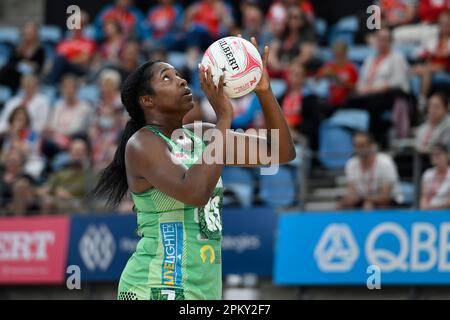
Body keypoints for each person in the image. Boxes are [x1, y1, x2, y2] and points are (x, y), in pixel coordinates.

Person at [92, 37, 296, 300]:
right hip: (154, 286)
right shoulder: (142, 143)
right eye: (167, 78)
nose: (181, 80)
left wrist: (264, 90)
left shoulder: (203, 135)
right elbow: (196, 192)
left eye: (178, 74)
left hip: (202, 290)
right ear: (147, 101)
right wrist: (224, 118)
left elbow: (279, 152)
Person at [339, 132, 402, 210]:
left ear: (371, 146)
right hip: (362, 201)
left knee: (369, 206)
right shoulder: (351, 164)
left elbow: (386, 197)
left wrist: (367, 200)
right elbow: (353, 193)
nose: (359, 149)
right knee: (342, 206)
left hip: (390, 204)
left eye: (362, 145)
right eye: (356, 146)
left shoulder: (385, 163)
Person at [0, 22, 45, 93]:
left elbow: (38, 67)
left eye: (30, 33)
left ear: (35, 35)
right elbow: (11, 62)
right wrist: (21, 63)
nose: (27, 36)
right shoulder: (18, 48)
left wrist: (27, 64)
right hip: (14, 73)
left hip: (28, 76)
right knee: (6, 69)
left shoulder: (40, 50)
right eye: (26, 33)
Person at [420, 143, 450, 209]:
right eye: (433, 155)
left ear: (447, 156)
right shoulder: (427, 174)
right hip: (430, 211)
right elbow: (424, 197)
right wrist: (424, 208)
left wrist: (434, 208)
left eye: (439, 154)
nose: (436, 158)